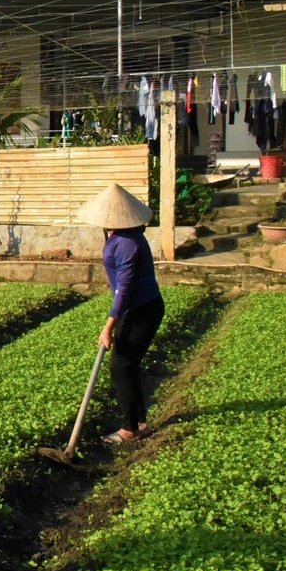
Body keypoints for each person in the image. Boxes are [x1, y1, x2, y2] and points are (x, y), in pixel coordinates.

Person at [78, 183, 164, 446]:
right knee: (127, 365)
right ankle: (139, 422)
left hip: (141, 309)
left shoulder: (127, 243)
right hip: (135, 307)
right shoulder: (121, 236)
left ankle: (130, 428)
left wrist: (108, 327)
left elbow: (124, 289)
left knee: (121, 366)